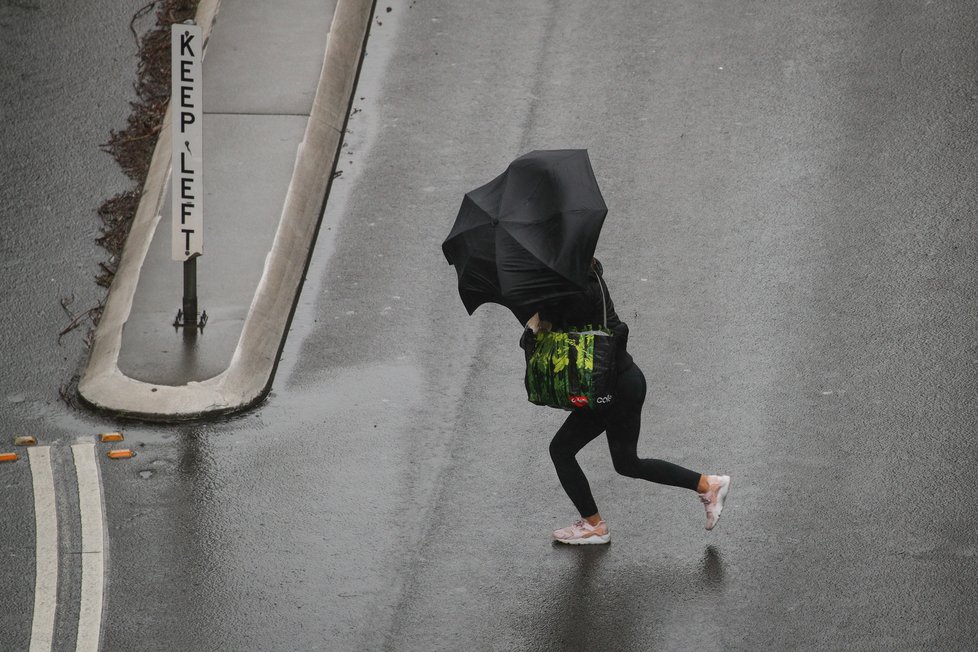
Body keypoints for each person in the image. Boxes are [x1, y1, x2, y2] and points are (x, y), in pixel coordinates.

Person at [521, 258, 730, 545]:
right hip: (619, 383)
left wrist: (538, 318)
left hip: (614, 388)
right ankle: (707, 484)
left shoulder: (578, 289)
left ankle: (594, 525)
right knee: (626, 462)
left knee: (563, 450)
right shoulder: (582, 275)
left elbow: (565, 328)